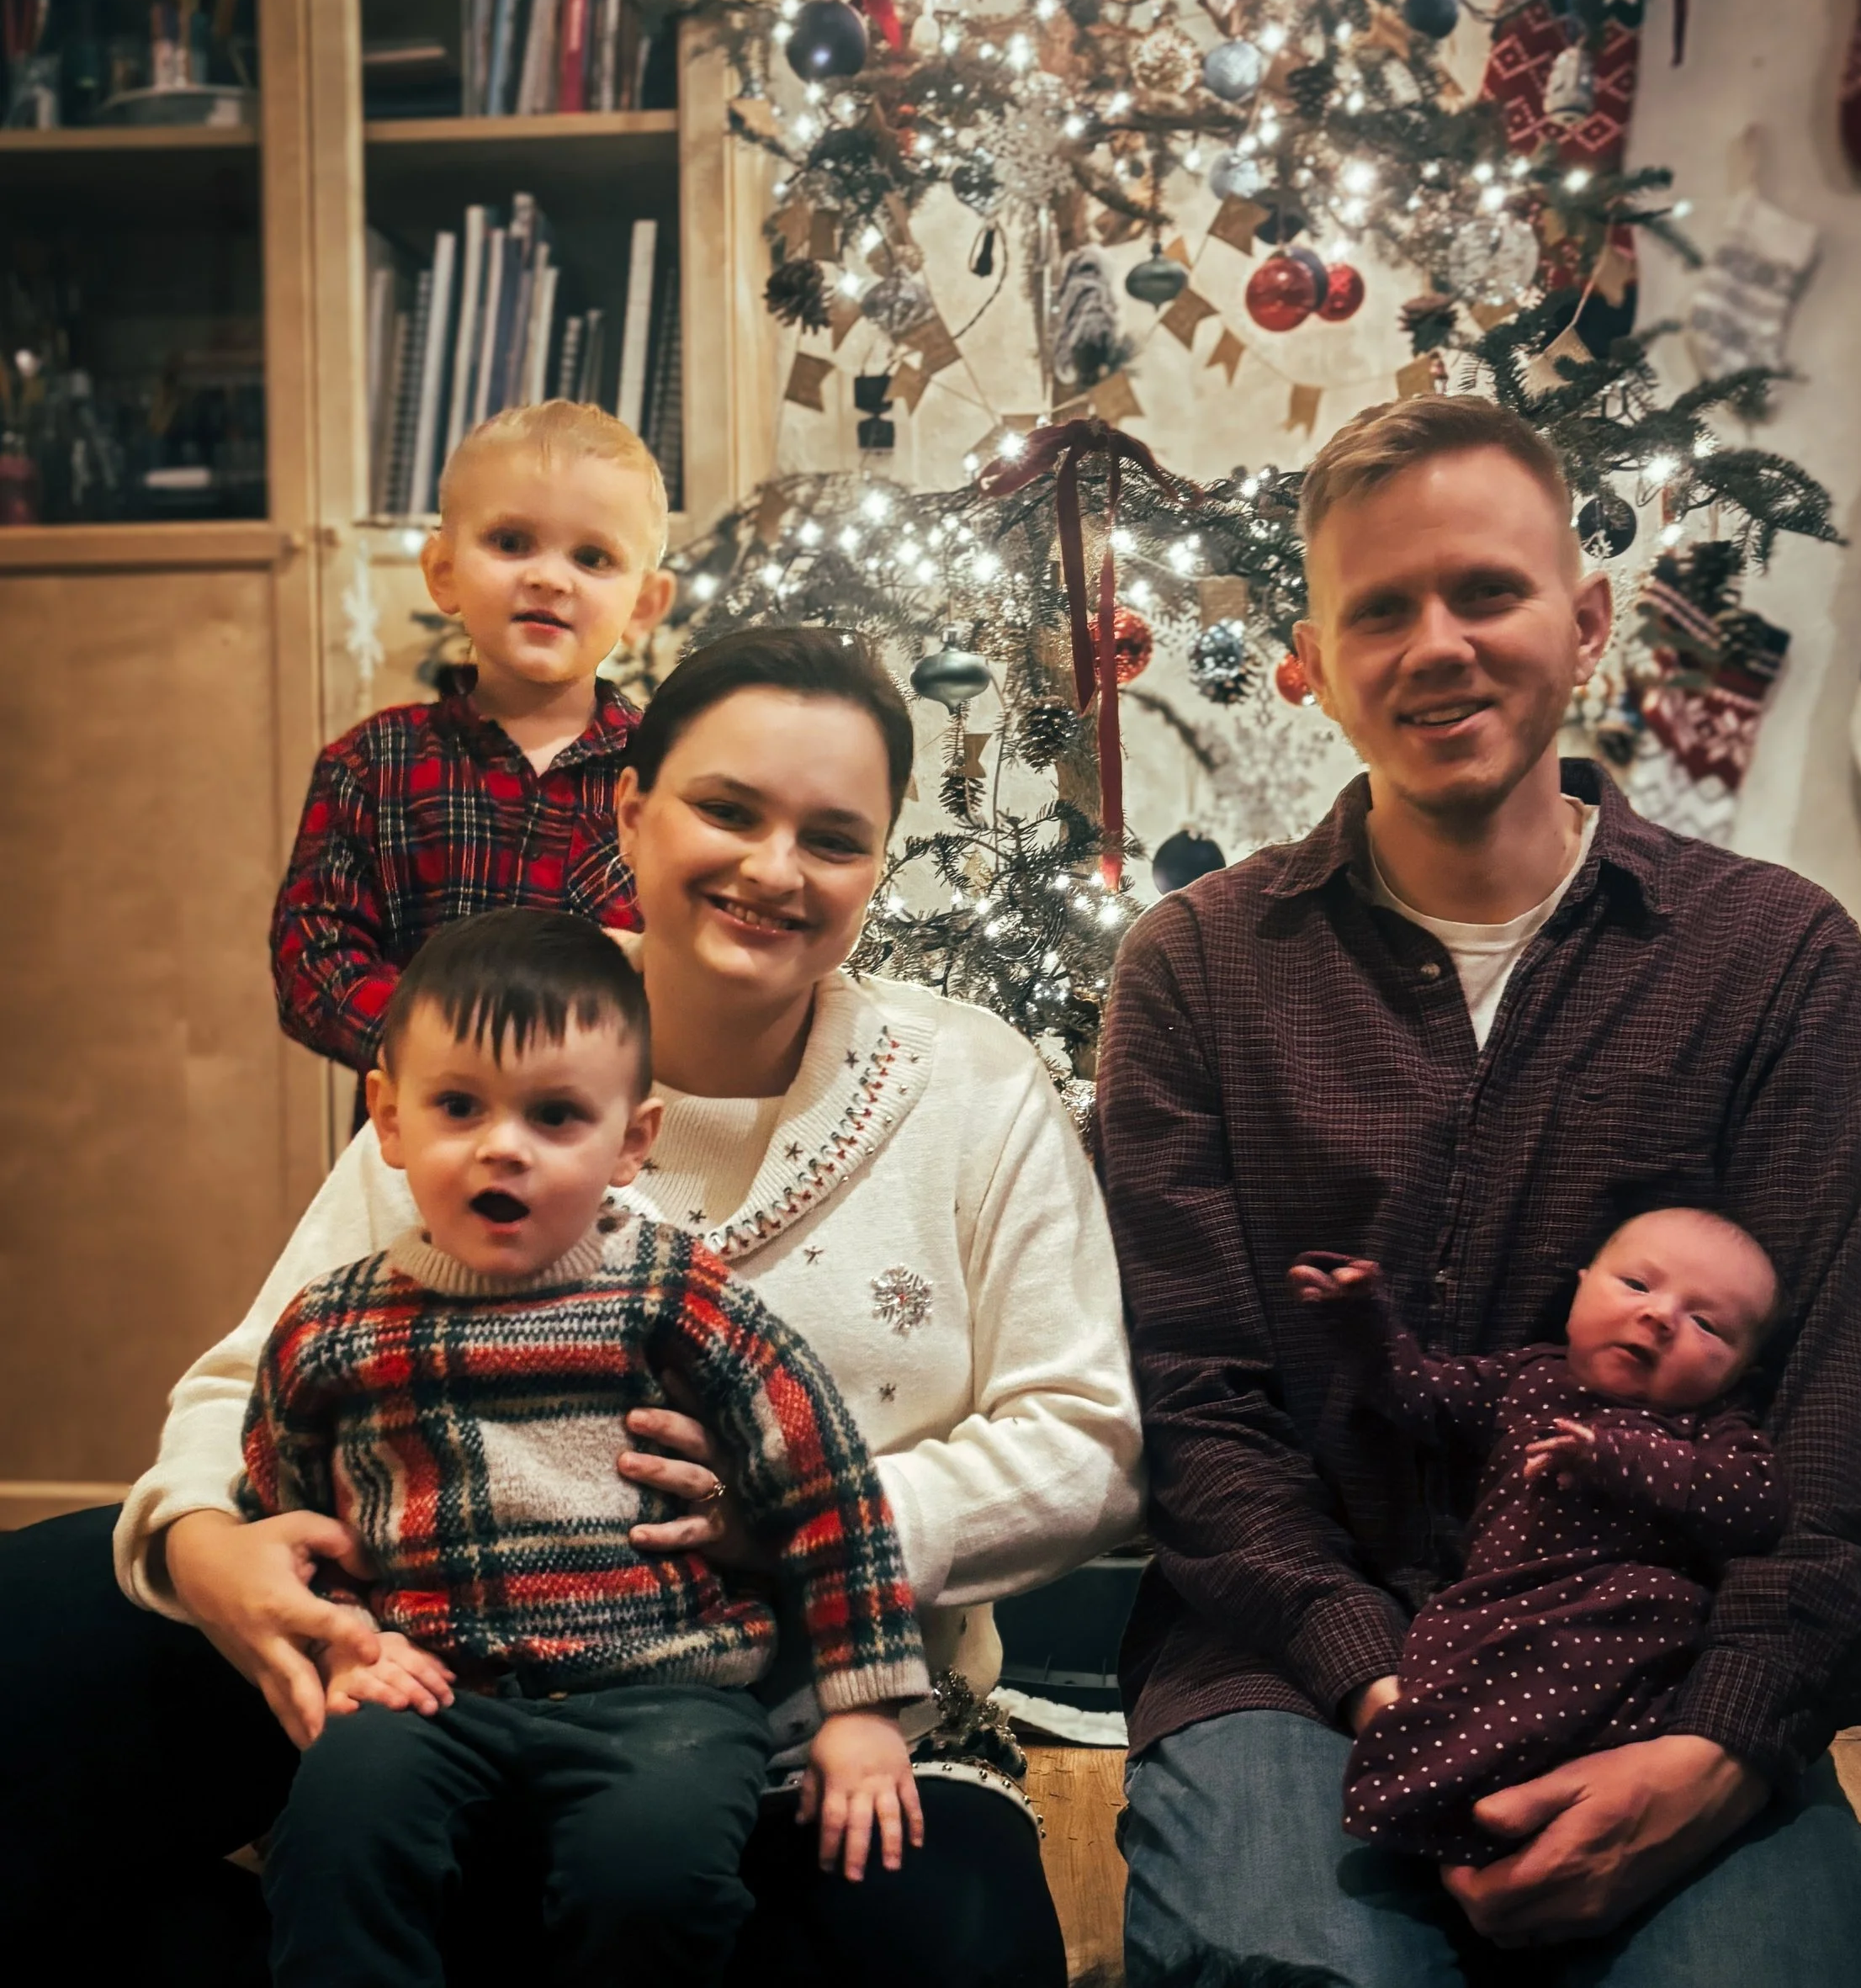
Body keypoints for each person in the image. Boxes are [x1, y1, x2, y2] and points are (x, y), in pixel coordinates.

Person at [0, 628, 1143, 1988]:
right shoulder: (499, 1034)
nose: (772, 868)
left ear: (879, 861)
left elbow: (1095, 1444)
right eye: (727, 808)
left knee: (943, 1946)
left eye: (833, 837)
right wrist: (202, 1539)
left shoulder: (970, 1084)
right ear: (631, 807)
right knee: (50, 1628)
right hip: (448, 1673)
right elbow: (259, 1368)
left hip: (832, 1710)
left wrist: (804, 1521)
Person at [1098, 396, 1861, 1986]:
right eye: (1381, 609)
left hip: (1648, 1653)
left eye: (1485, 590)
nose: (1437, 645)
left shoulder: (1773, 963)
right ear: (1316, 661)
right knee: (1295, 1971)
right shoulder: (1198, 969)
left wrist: (1720, 1745)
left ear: (1589, 621)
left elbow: (1828, 1441)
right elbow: (1197, 1413)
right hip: (1294, 1657)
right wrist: (1380, 1681)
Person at [247, 907, 930, 1985]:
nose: (502, 1146)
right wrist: (341, 1637)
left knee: (654, 1877)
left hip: (663, 1696)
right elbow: (280, 1520)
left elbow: (824, 1484)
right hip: (429, 1688)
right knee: (336, 1841)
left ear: (631, 1141)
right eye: (458, 1107)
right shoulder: (329, 1329)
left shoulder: (673, 1293)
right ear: (388, 1118)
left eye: (556, 1115)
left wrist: (865, 1707)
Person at [1291, 1210, 1784, 1864]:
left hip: (1623, 1612)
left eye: (1707, 1323)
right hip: (1496, 1602)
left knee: (1649, 1636)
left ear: (1740, 1371)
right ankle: (1445, 1810)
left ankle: (1516, 1811)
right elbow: (1419, 1396)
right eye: (1637, 1284)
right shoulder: (1526, 1379)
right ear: (1579, 1288)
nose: (1661, 1317)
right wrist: (1360, 1316)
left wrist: (1620, 1458)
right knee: (1440, 1660)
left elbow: (1754, 1504)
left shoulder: (1710, 1425)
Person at [270, 399, 673, 1075]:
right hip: (418, 1157)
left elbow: (692, 957)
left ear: (644, 605)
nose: (549, 576)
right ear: (443, 571)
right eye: (511, 542)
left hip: (615, 1155)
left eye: (593, 556)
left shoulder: (668, 775)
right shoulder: (370, 766)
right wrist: (450, 1052)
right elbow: (312, 955)